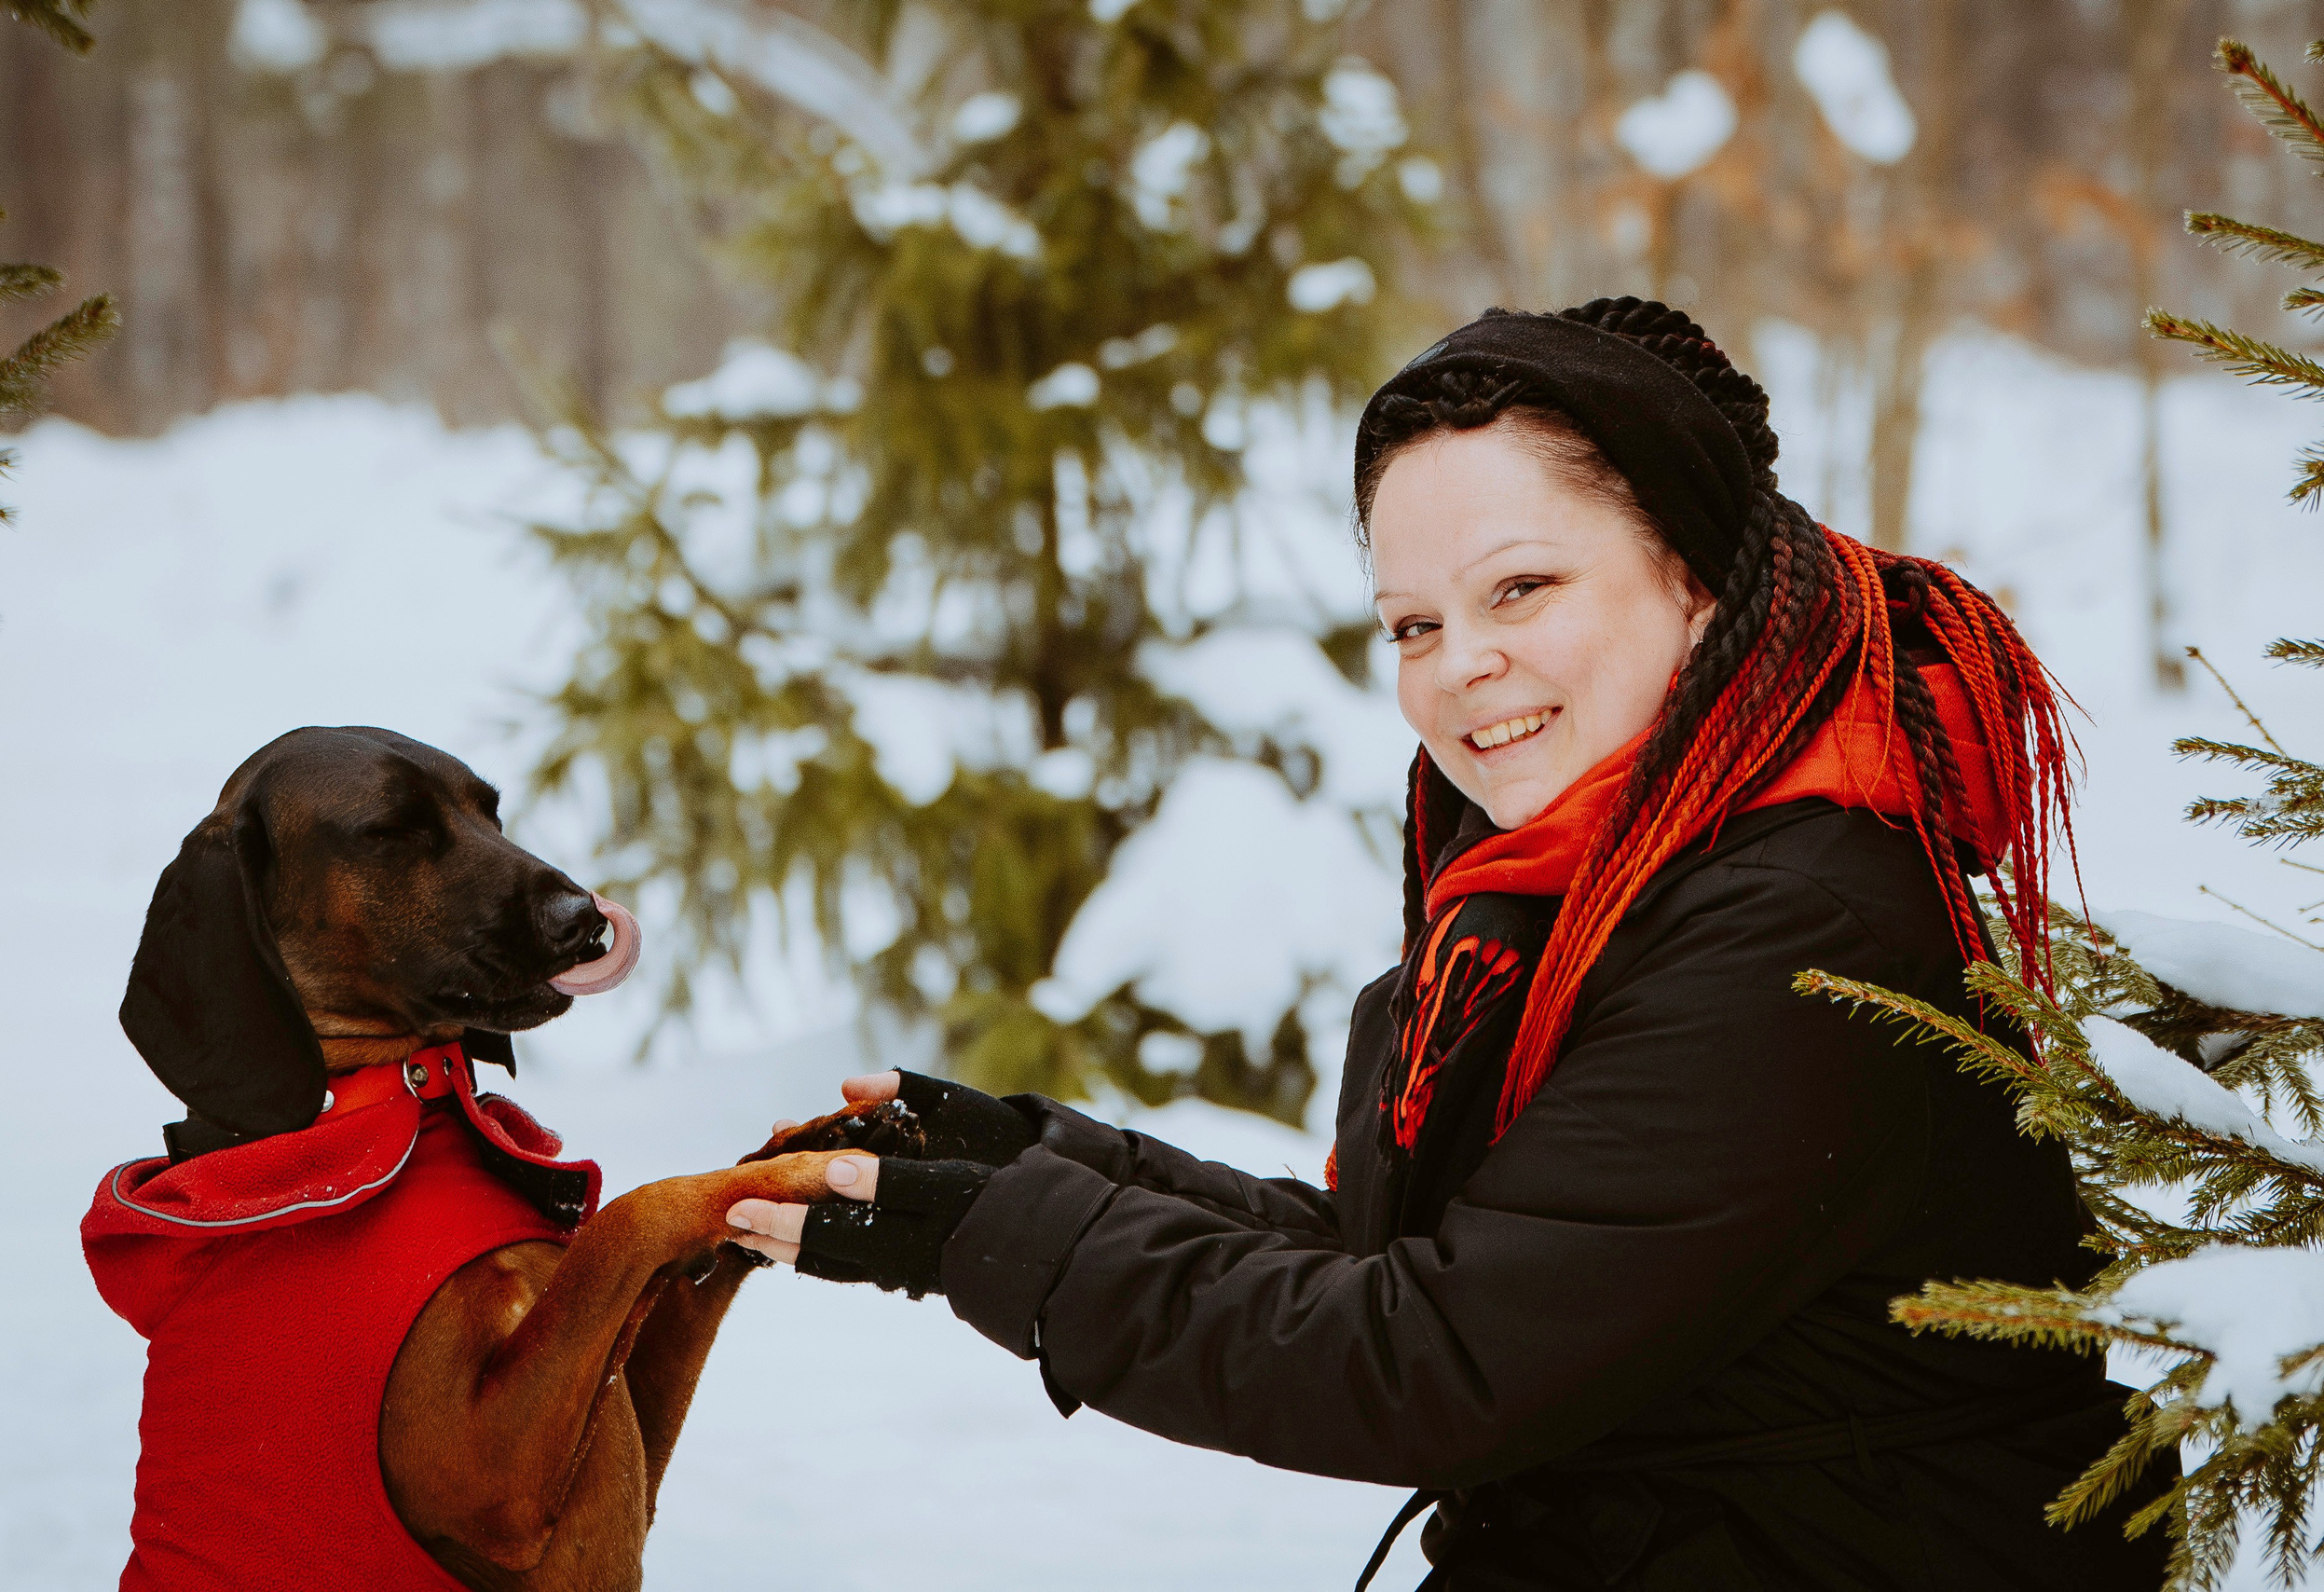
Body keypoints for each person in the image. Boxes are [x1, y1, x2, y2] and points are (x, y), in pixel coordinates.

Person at [725, 298, 2173, 1590]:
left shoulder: (1798, 930)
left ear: (1701, 579)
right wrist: (1036, 1165)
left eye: (1520, 588)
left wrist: (1008, 1241)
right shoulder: (1587, 882)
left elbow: (1432, 1360)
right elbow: (1432, 1264)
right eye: (1412, 624)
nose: (1459, 664)